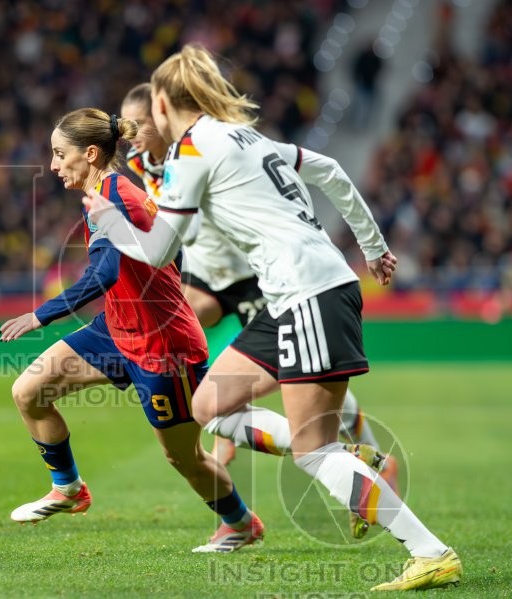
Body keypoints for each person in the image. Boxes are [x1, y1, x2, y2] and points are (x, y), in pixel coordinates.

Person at [84, 44, 461, 591]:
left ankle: (428, 550)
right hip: (294, 295)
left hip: (306, 292)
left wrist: (107, 221)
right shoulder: (245, 136)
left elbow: (161, 250)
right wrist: (372, 248)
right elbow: (328, 169)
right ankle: (358, 461)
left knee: (314, 452)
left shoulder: (194, 148)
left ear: (162, 104)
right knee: (209, 405)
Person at [120, 82, 397, 539]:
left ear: (164, 114)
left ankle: (354, 457)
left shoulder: (200, 152)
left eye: (140, 124)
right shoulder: (142, 161)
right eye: (127, 126)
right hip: (208, 279)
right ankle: (238, 475)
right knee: (189, 349)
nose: (133, 134)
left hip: (257, 277)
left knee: (306, 377)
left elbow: (168, 237)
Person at [0, 107, 263, 553]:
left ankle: (241, 522)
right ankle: (68, 488)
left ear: (89, 153)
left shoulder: (116, 196)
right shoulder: (107, 192)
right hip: (116, 329)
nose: (53, 165)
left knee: (183, 457)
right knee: (29, 392)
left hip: (163, 346)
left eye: (59, 154)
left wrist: (41, 315)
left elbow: (103, 272)